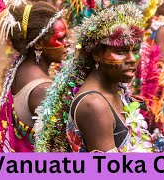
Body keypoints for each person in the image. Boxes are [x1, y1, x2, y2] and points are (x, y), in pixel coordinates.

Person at [35, 3, 152, 153]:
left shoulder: (117, 87)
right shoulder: (94, 105)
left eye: (135, 50)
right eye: (120, 51)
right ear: (97, 54)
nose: (132, 59)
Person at [0, 1, 70, 152]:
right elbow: (58, 147)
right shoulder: (42, 90)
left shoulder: (20, 66)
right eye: (60, 39)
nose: (67, 44)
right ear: (39, 43)